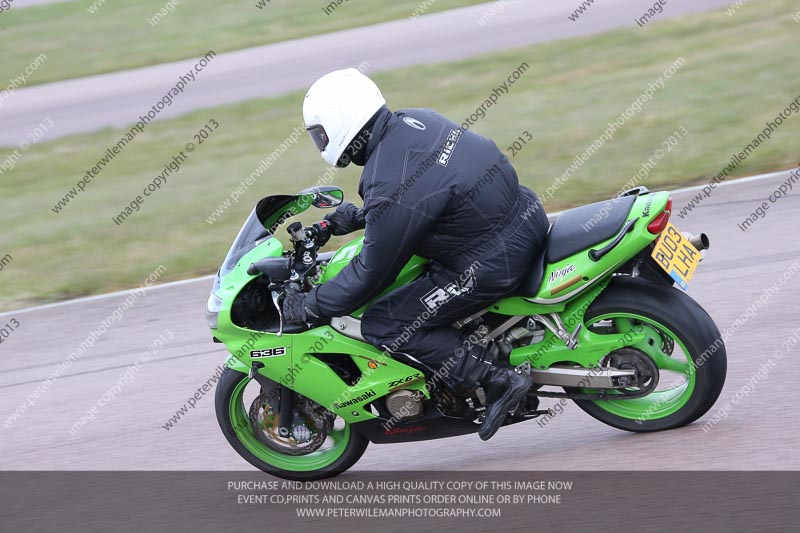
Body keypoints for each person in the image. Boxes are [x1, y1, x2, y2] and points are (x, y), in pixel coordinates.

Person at [282, 68, 549, 440]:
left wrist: (311, 304)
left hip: (490, 260)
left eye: (320, 132)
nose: (320, 141)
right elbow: (428, 196)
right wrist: (360, 218)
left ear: (342, 122)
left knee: (385, 323)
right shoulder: (416, 120)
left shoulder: (389, 178)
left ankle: (498, 380)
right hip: (524, 216)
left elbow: (371, 272)